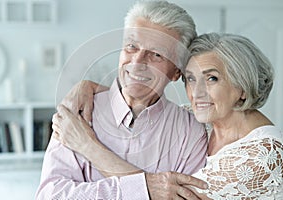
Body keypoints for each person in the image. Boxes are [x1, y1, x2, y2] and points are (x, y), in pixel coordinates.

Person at [53, 32, 283, 199]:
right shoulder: (200, 121)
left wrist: (87, 145)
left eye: (212, 78)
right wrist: (88, 86)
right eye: (191, 79)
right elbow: (140, 101)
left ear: (242, 86)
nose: (197, 93)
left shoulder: (263, 155)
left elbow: (165, 194)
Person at [36, 1, 209, 199]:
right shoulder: (78, 113)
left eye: (156, 54)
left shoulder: (190, 132)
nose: (137, 62)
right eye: (131, 46)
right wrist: (147, 189)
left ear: (176, 72)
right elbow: (52, 196)